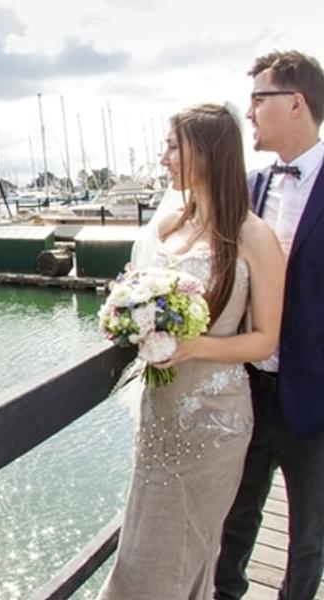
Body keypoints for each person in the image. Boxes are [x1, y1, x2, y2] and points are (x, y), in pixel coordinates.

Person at [97, 103, 285, 599]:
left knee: (175, 559)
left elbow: (266, 338)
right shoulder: (168, 227)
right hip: (159, 416)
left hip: (214, 424)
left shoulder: (254, 237)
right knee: (149, 552)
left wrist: (195, 345)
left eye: (173, 146)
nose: (164, 159)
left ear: (208, 152)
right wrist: (126, 320)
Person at [214, 50, 324, 600]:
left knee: (308, 539)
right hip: (247, 390)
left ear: (296, 104)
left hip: (316, 401)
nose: (250, 112)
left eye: (260, 99)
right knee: (233, 522)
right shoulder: (249, 189)